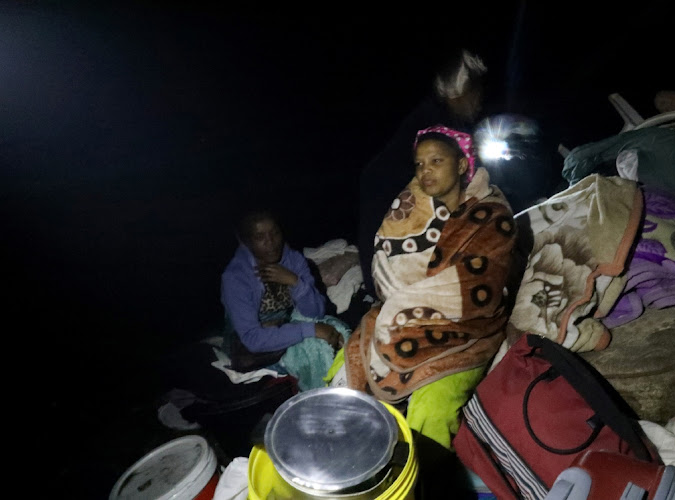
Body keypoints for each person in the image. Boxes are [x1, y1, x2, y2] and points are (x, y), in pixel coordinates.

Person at [334, 125, 518, 450]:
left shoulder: (491, 214)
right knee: (344, 368)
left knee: (431, 407)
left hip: (467, 330)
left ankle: (424, 478)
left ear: (461, 165)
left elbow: (480, 288)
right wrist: (399, 299)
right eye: (419, 164)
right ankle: (348, 455)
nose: (426, 171)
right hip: (404, 319)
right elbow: (387, 266)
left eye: (436, 161)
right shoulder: (409, 215)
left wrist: (404, 301)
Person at [357, 47, 496, 297]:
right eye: (473, 94)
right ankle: (375, 292)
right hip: (385, 181)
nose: (478, 101)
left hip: (410, 178)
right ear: (457, 93)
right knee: (385, 238)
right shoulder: (434, 120)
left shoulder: (457, 119)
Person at [220, 208, 347, 390]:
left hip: (286, 327)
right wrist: (309, 331)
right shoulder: (236, 277)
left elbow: (316, 311)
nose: (270, 243)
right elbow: (252, 339)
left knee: (341, 331)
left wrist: (295, 282)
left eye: (275, 233)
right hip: (252, 348)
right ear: (247, 242)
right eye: (260, 237)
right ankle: (318, 405)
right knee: (315, 349)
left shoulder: (293, 260)